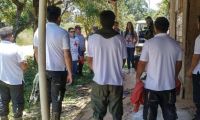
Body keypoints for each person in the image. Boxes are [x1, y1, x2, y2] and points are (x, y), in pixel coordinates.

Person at [136, 17, 182, 120]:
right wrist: (174, 76)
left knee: (149, 116)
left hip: (152, 87)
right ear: (167, 28)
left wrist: (138, 78)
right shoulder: (176, 44)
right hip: (169, 86)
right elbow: (179, 63)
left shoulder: (149, 43)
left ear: (155, 28)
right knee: (170, 115)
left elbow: (141, 63)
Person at [33, 6, 73, 120]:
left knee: (45, 97)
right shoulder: (62, 32)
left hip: (44, 70)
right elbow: (67, 54)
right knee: (57, 98)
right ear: (59, 17)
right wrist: (70, 72)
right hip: (59, 72)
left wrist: (41, 67)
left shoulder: (38, 30)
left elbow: (36, 51)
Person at [87, 10, 127, 120]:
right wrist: (115, 69)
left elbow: (89, 61)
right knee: (117, 113)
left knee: (98, 114)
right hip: (116, 81)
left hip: (99, 81)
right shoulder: (120, 39)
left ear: (100, 21)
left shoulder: (93, 38)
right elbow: (123, 60)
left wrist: (99, 71)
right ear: (113, 22)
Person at [0, 26, 27, 120]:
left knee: (3, 101)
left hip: (1, 79)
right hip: (15, 80)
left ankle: (3, 117)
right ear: (10, 36)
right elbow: (23, 66)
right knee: (17, 103)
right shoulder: (16, 48)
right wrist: (25, 66)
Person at [187, 16, 200, 120]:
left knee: (198, 96)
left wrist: (190, 70)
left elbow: (196, 57)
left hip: (199, 72)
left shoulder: (199, 39)